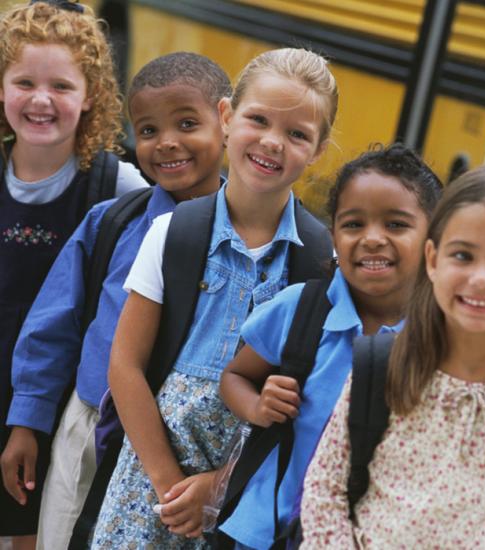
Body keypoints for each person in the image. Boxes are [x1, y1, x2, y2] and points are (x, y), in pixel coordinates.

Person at [89, 47, 338, 549]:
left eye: (297, 134)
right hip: (150, 480)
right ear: (226, 117)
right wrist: (167, 484)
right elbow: (125, 367)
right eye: (258, 120)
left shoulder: (319, 262)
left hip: (245, 493)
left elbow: (310, 403)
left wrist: (219, 487)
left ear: (318, 149)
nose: (272, 142)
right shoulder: (173, 233)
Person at [0, 50, 230, 550]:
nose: (166, 142)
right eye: (147, 131)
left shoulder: (242, 241)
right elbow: (52, 326)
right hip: (87, 425)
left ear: (227, 122)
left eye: (187, 123)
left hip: (182, 447)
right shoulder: (114, 221)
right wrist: (26, 421)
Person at [300, 165, 485, 547]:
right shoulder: (382, 366)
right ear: (432, 260)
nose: (483, 279)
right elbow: (324, 490)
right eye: (463, 255)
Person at [217, 143, 443, 549]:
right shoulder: (302, 310)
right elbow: (234, 376)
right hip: (270, 530)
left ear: (433, 240)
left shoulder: (440, 340)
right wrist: (258, 405)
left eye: (396, 225)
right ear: (334, 233)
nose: (372, 239)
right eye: (354, 224)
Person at [0, 1, 148, 548]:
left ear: (91, 98)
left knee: (31, 529)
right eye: (24, 82)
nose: (41, 100)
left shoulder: (118, 188)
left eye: (61, 86)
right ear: (1, 89)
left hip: (57, 405)